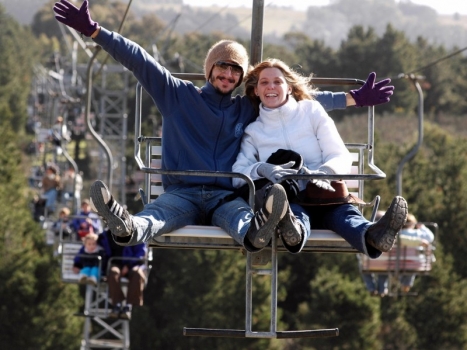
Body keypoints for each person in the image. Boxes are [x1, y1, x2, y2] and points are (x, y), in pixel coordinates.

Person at [53, 0, 395, 251]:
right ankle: (127, 226)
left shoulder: (246, 107)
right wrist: (95, 31)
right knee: (156, 215)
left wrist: (351, 99)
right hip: (182, 192)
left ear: (241, 77)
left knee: (241, 219)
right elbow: (139, 59)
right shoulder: (177, 96)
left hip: (225, 195)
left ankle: (257, 234)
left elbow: (295, 101)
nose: (228, 74)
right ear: (209, 69)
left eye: (235, 70)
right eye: (222, 66)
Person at [232, 58, 408, 257]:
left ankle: (374, 235)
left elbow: (339, 153)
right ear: (256, 91)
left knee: (345, 215)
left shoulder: (311, 111)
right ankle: (294, 232)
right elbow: (238, 174)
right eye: (264, 82)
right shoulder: (254, 131)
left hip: (325, 194)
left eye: (277, 82)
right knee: (296, 214)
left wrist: (324, 173)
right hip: (292, 198)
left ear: (289, 88)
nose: (271, 87)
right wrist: (262, 168)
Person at [99, 230, 148, 320]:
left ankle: (128, 306)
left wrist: (128, 265)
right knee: (113, 272)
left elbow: (140, 254)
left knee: (137, 273)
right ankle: (117, 304)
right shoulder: (106, 235)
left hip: (133, 264)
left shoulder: (138, 235)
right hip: (116, 264)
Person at [398, 213, 435, 293]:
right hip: (415, 263)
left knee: (404, 269)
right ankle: (406, 286)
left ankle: (403, 284)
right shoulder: (418, 233)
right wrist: (422, 227)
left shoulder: (399, 234)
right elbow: (430, 237)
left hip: (399, 263)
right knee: (412, 267)